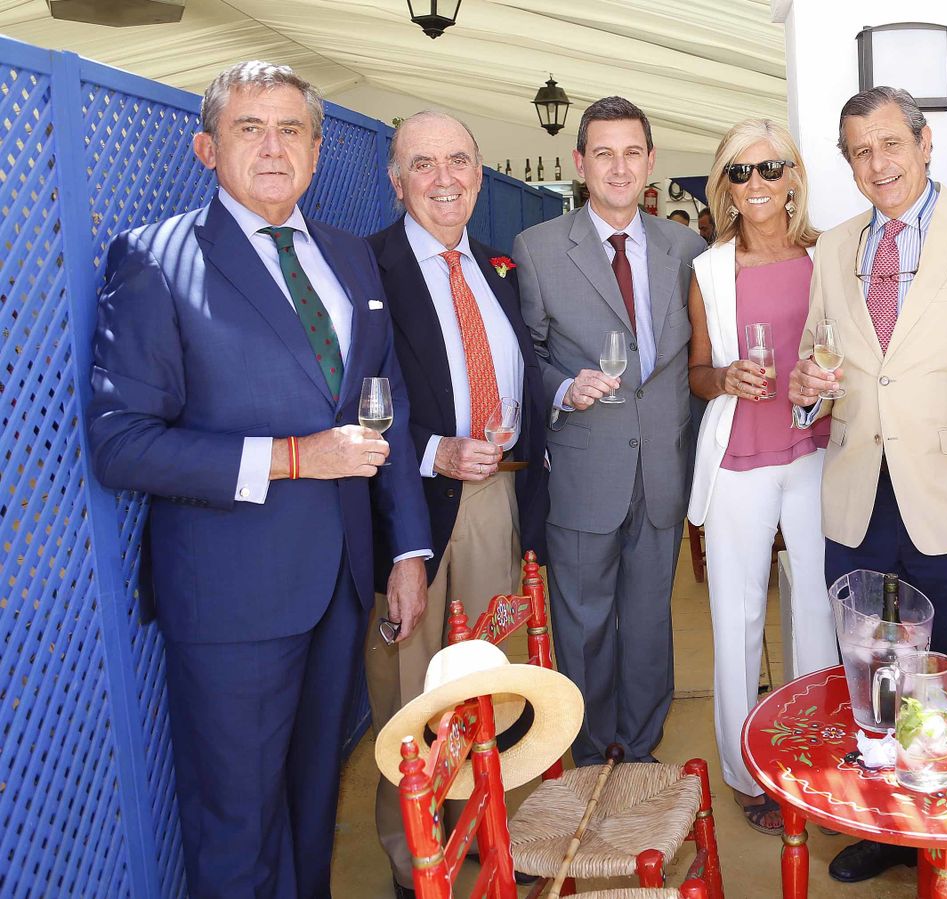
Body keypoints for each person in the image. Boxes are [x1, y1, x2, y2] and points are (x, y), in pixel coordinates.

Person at [87, 61, 431, 898]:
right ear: (207, 147)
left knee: (312, 811)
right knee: (236, 828)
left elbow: (385, 407)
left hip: (338, 588)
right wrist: (292, 456)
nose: (273, 148)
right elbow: (121, 443)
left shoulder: (350, 257)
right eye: (250, 128)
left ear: (315, 150)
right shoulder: (155, 260)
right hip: (229, 604)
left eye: (290, 130)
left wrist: (407, 550)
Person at [786, 85, 947, 888]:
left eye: (890, 144)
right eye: (860, 151)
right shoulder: (833, 246)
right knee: (877, 672)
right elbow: (817, 363)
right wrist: (808, 388)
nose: (877, 163)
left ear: (925, 145)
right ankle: (893, 825)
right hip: (859, 498)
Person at [364, 110, 549, 897]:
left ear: (478, 171)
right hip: (408, 509)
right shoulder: (366, 267)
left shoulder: (495, 268)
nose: (445, 178)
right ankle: (415, 860)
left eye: (459, 161)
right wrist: (434, 449)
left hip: (495, 499)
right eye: (424, 163)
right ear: (396, 179)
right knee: (411, 695)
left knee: (485, 683)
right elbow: (354, 400)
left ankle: (485, 831)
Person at [510, 96, 705, 765]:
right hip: (584, 468)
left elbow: (699, 357)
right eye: (603, 154)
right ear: (579, 163)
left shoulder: (687, 249)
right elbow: (527, 357)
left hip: (662, 467)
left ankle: (641, 747)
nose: (619, 168)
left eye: (631, 153)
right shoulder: (538, 249)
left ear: (650, 162)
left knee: (649, 620)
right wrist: (564, 387)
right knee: (584, 622)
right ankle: (592, 752)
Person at [685, 118, 836, 835]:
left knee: (817, 611)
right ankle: (748, 770)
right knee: (737, 616)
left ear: (793, 177)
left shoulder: (829, 255)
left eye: (770, 168)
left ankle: (813, 756)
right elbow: (696, 372)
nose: (757, 184)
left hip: (816, 452)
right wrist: (724, 377)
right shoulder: (709, 270)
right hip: (739, 456)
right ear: (724, 187)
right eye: (740, 172)